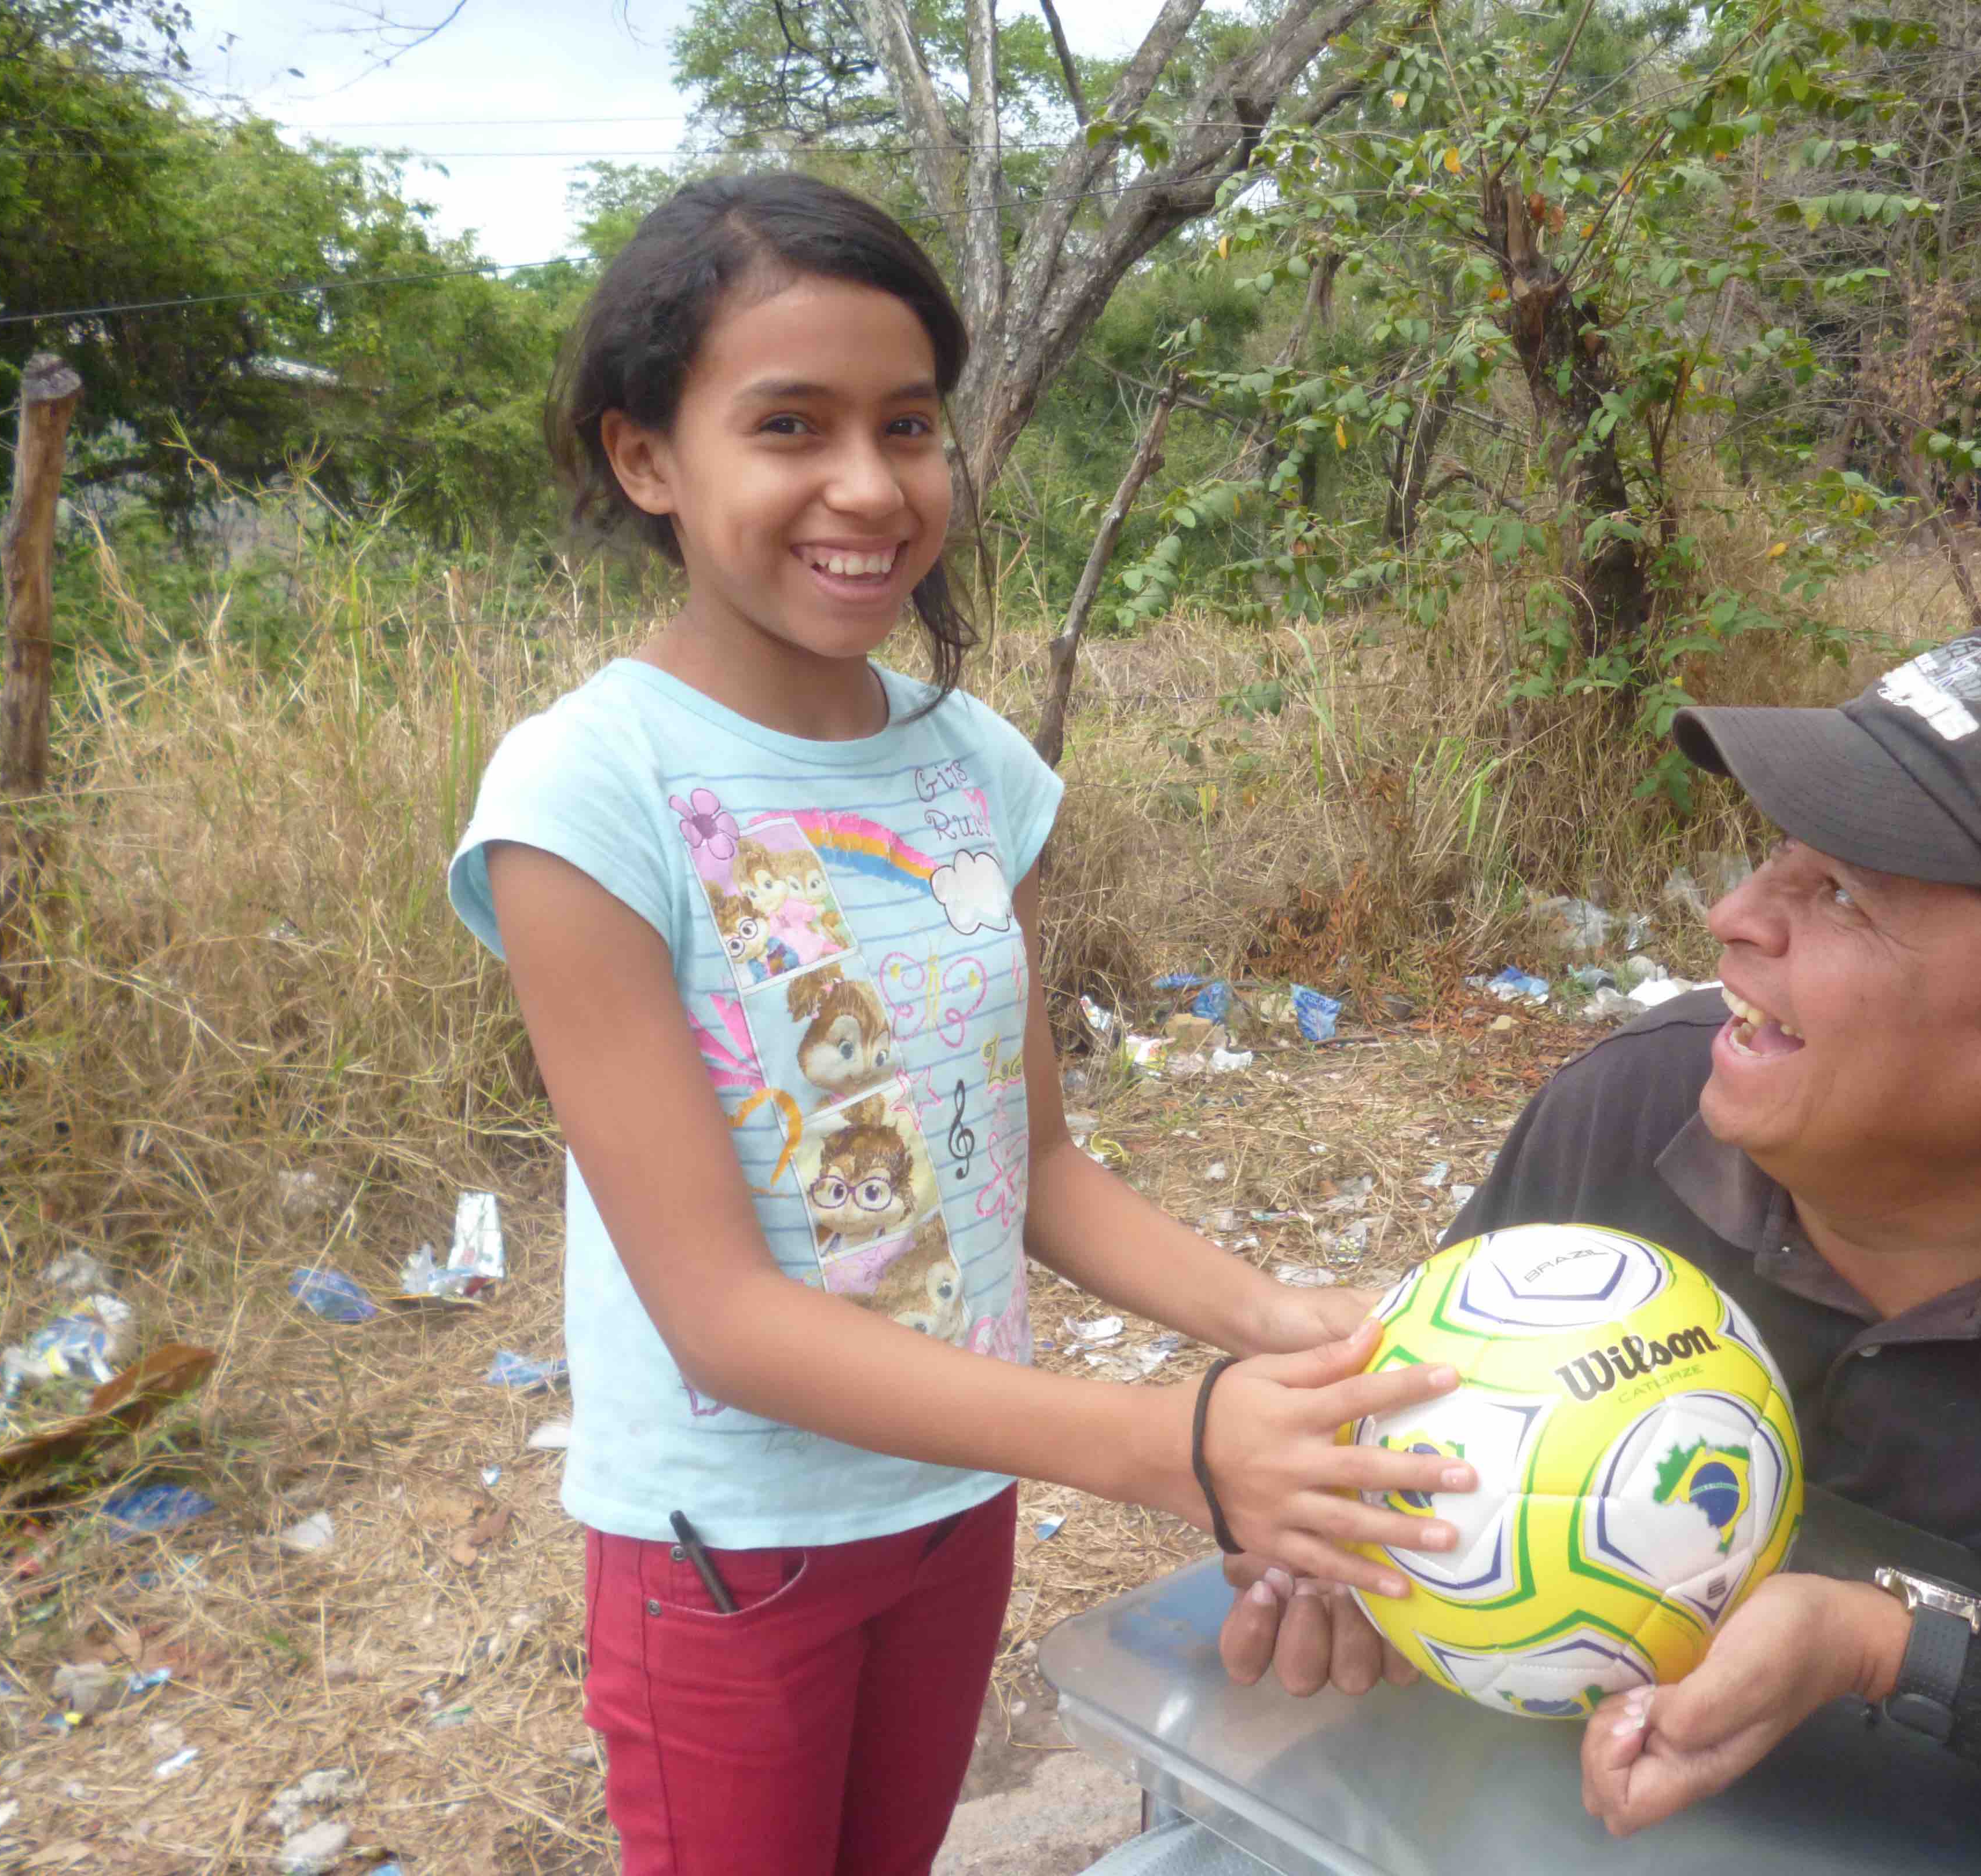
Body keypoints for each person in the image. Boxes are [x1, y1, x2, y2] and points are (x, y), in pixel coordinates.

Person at [444, 173, 1471, 1876]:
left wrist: (1292, 1329)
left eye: (907, 425)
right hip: (729, 1547)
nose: (869, 486)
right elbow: (720, 1318)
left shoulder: (974, 770)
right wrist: (1175, 1448)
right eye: (790, 424)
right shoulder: (587, 794)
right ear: (646, 459)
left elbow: (1036, 1167)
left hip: (954, 1503)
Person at [1217, 624, 1981, 1875]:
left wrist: (1897, 1654)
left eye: (1845, 895)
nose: (1733, 917)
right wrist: (1355, 1560)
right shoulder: (1632, 1113)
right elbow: (1385, 1450)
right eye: (1779, 857)